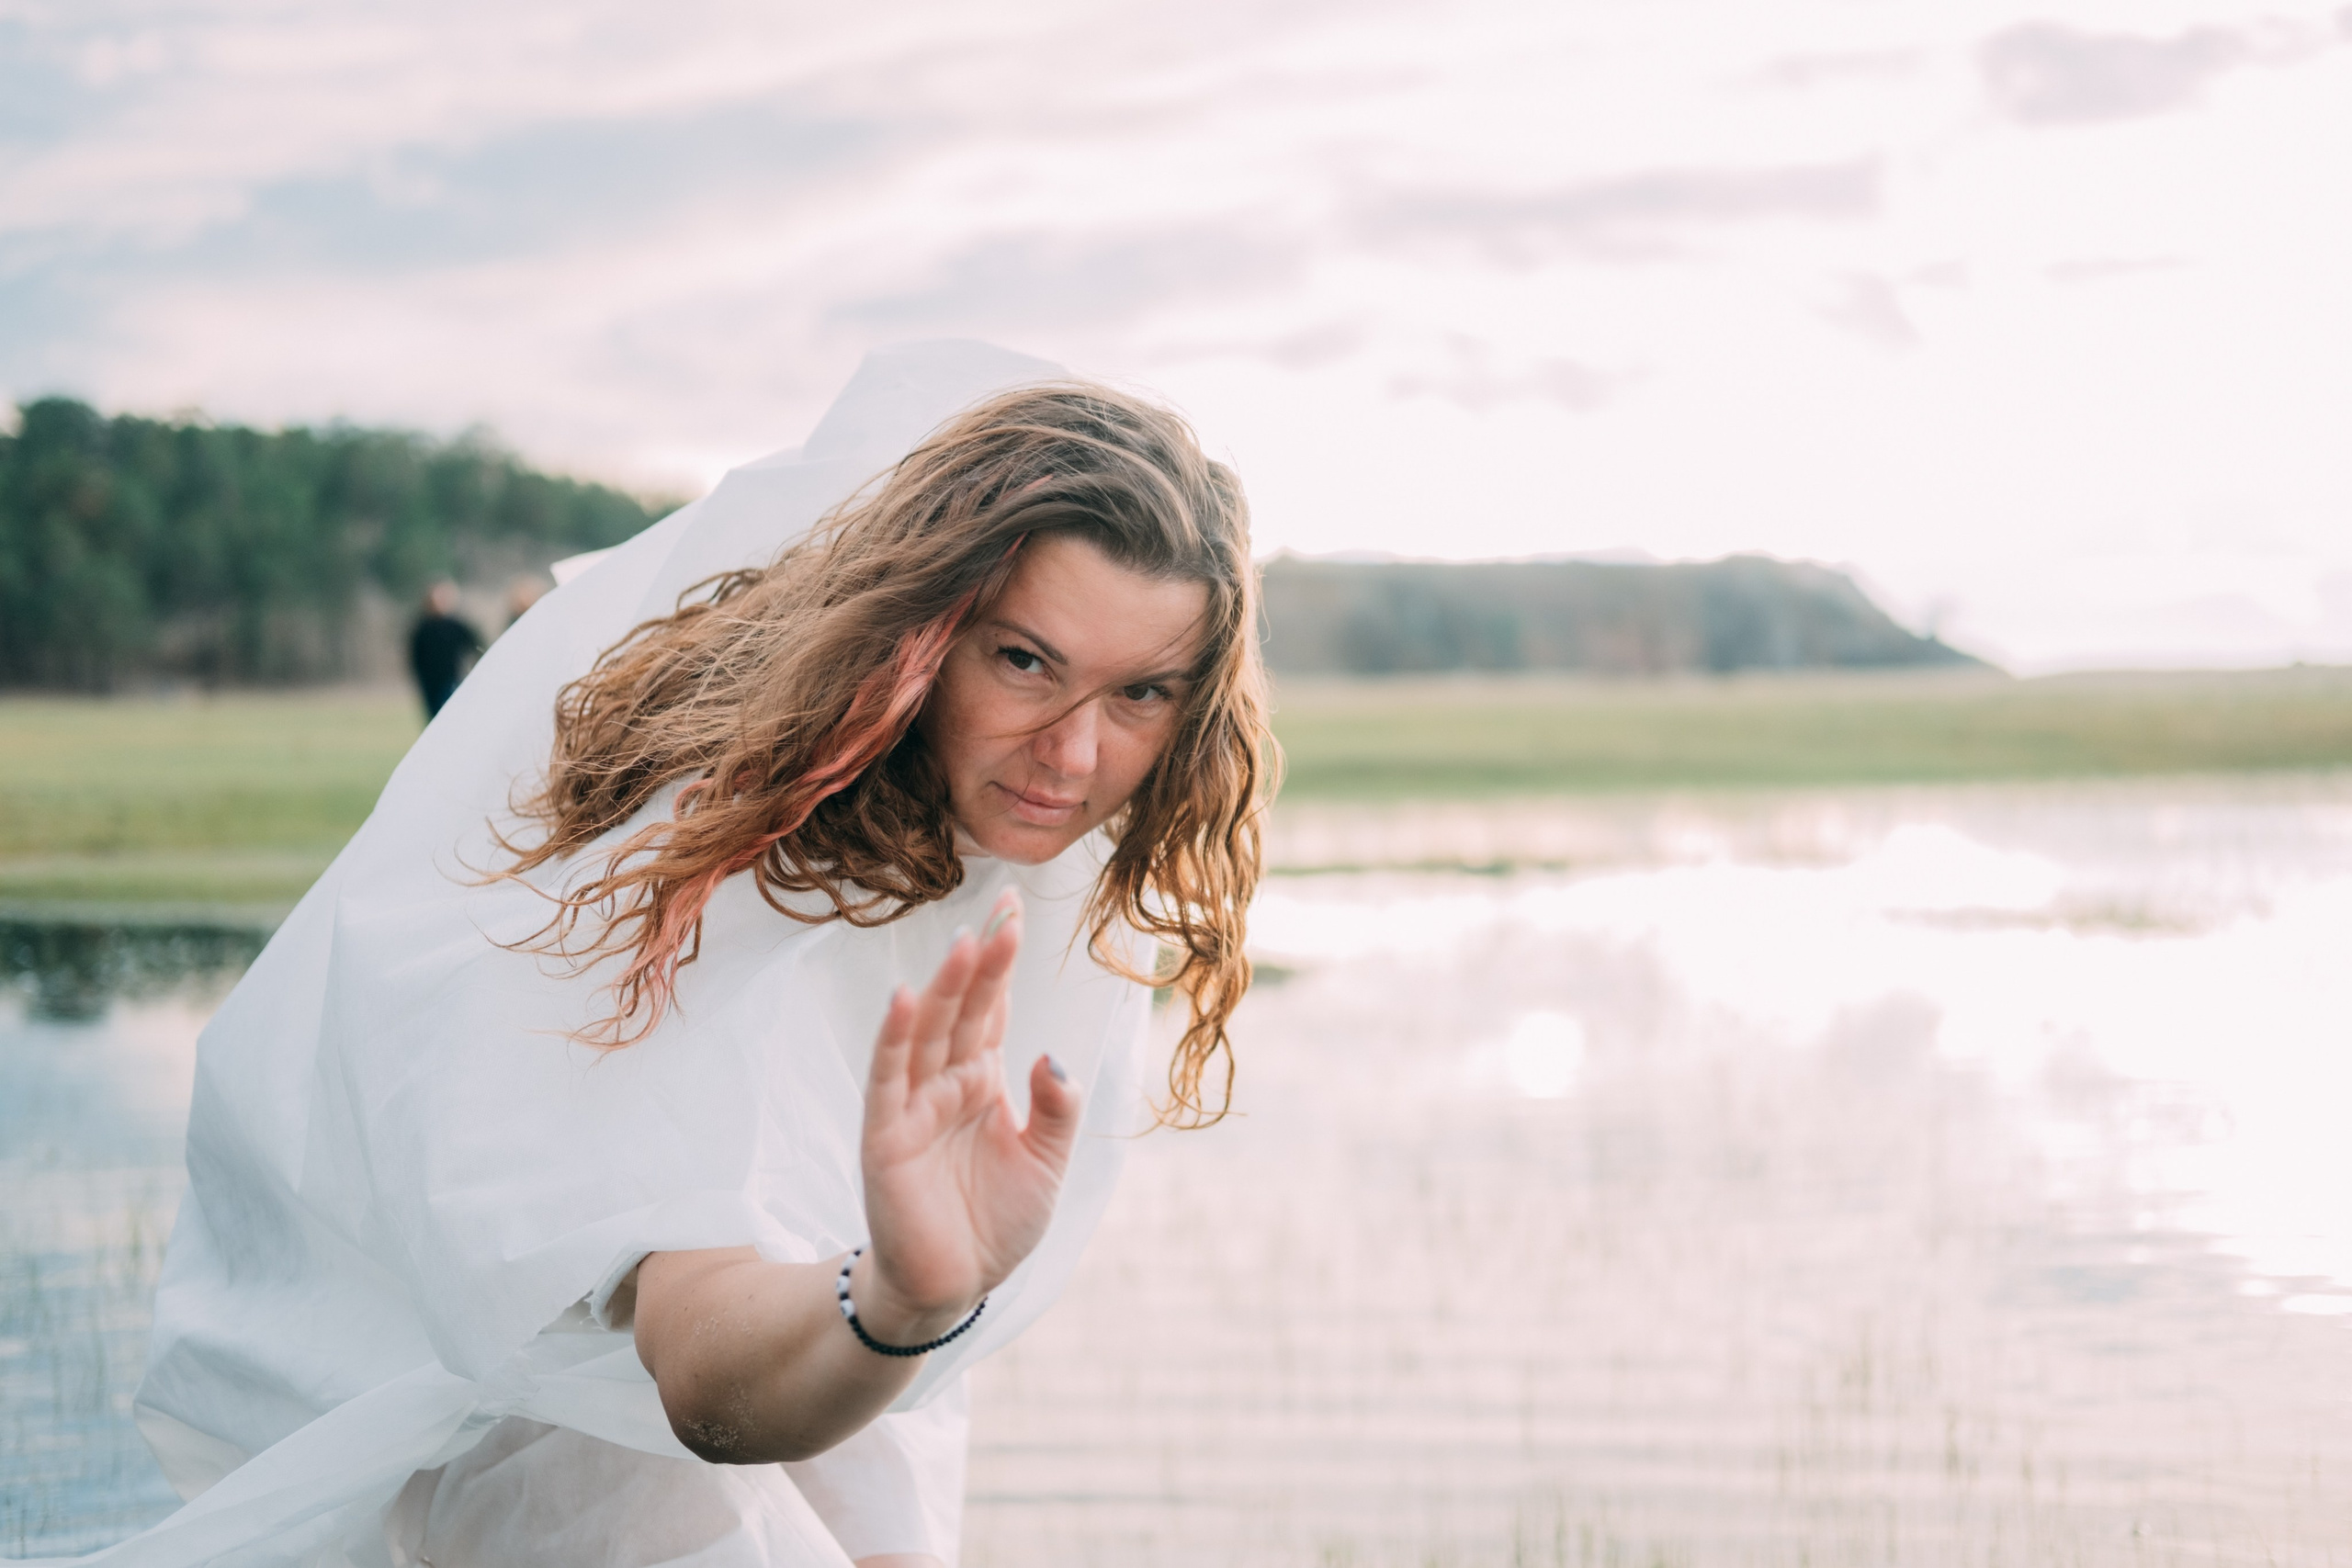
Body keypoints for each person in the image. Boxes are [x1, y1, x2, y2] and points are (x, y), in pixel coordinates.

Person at [22, 343, 1267, 1568]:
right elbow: (692, 1353)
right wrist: (896, 1298)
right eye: (1024, 660)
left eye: (1143, 692)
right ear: (919, 634)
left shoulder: (1040, 852)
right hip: (538, 1406)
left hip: (839, 1342)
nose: (1072, 756)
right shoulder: (705, 858)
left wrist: (902, 1300)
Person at [407, 579, 485, 718]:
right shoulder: (423, 629)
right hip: (430, 684)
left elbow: (477, 646)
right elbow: (415, 657)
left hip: (452, 680)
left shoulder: (456, 626)